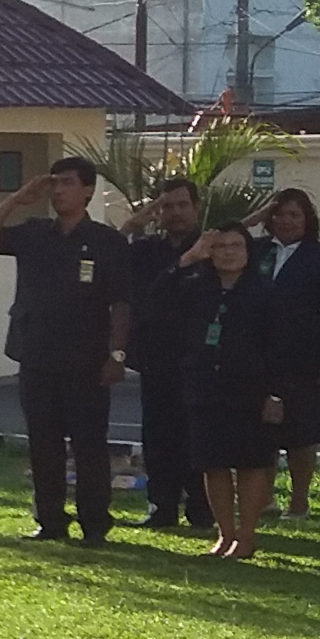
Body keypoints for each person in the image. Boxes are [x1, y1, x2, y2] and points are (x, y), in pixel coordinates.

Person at [0, 159, 132, 543]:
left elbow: (122, 303)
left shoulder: (107, 242)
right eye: (54, 184)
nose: (58, 191)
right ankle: (50, 521)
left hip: (87, 359)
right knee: (44, 445)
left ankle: (95, 524)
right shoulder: (34, 233)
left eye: (68, 184)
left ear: (88, 191)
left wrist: (118, 354)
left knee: (89, 446)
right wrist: (16, 200)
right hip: (38, 353)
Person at [160, 224, 290, 560]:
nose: (228, 252)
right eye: (220, 246)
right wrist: (188, 259)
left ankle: (246, 537)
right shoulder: (196, 288)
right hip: (204, 385)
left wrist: (275, 393)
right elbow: (155, 300)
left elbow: (281, 347)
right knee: (213, 464)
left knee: (249, 464)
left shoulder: (266, 292)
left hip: (250, 389)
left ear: (248, 252)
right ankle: (225, 535)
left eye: (236, 245)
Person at [120, 176, 216, 533]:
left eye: (181, 205)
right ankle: (162, 506)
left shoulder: (213, 247)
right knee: (159, 435)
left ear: (196, 207)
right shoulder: (146, 250)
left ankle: (203, 508)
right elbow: (112, 257)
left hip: (201, 357)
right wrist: (132, 224)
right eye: (166, 206)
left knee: (197, 435)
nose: (174, 213)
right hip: (157, 355)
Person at [252, 188, 320, 518]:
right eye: (280, 214)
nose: (287, 220)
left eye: (295, 214)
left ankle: (299, 502)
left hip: (303, 356)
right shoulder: (254, 251)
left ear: (307, 218)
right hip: (260, 354)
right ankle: (263, 499)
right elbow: (219, 236)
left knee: (301, 433)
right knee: (261, 431)